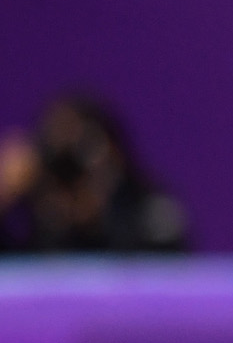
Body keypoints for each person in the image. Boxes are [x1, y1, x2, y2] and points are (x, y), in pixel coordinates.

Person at [0, 94, 189, 254]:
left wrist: (98, 216)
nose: (73, 169)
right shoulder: (38, 213)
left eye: (85, 146)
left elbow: (167, 270)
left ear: (114, 151)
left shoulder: (149, 206)